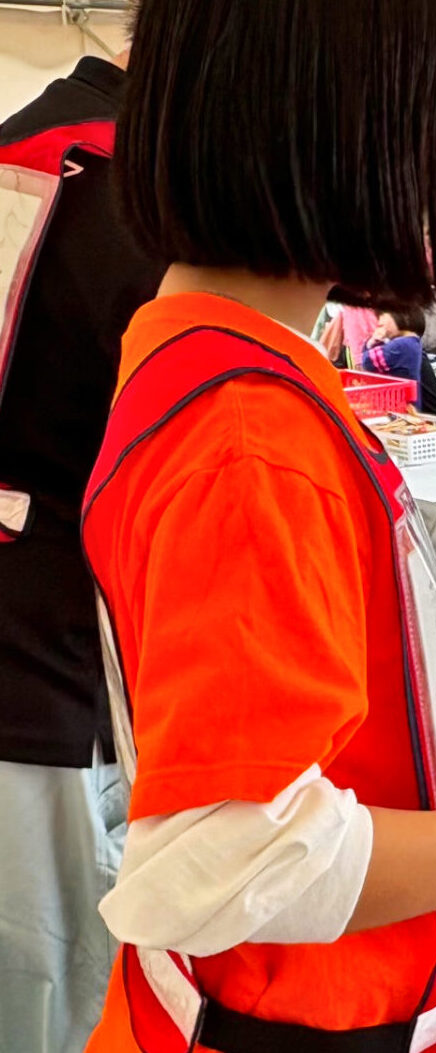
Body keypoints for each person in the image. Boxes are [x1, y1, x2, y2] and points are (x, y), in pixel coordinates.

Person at [80, 3, 436, 1050]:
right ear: (350, 129)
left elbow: (408, 675)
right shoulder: (251, 442)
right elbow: (224, 862)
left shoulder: (221, 359)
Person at [0, 49, 165, 1053]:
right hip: (54, 667)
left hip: (34, 645)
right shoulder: (139, 202)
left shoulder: (21, 146)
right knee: (53, 997)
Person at [361, 307, 427, 407]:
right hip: (406, 404)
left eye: (382, 316)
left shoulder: (400, 345)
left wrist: (372, 342)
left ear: (403, 316)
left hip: (397, 405)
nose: (379, 323)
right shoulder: (412, 342)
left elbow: (368, 362)